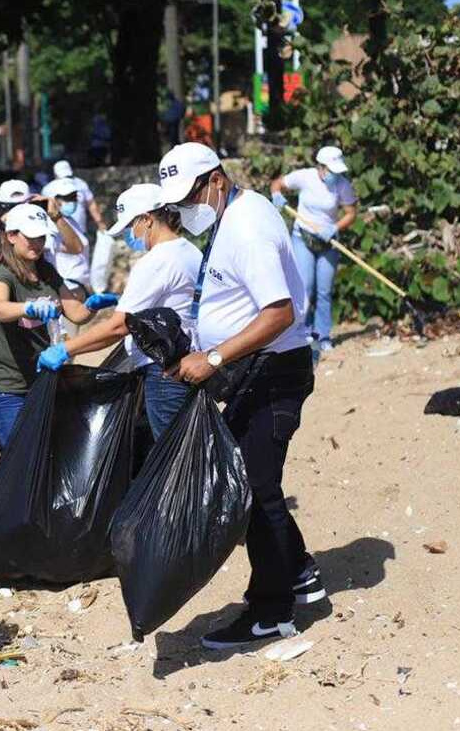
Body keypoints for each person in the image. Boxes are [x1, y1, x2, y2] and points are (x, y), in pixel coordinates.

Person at [158, 142, 322, 649]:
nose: (182, 209)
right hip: (254, 368)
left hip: (273, 371)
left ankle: (271, 611)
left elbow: (279, 313)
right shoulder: (232, 218)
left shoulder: (248, 226)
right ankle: (299, 571)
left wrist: (213, 358)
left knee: (252, 488)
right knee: (253, 481)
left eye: (188, 196)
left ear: (216, 180)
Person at [37, 183, 202, 439]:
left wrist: (66, 349)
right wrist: (121, 299)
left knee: (173, 458)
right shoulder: (190, 251)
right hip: (186, 362)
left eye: (129, 226)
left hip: (163, 373)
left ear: (147, 219)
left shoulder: (156, 261)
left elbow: (118, 326)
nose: (129, 234)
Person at [0, 203, 92, 450]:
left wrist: (92, 306)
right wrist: (27, 308)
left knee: (46, 455)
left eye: (41, 237)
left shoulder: (46, 272)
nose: (37, 243)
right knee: (18, 460)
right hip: (7, 386)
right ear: (11, 236)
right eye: (31, 237)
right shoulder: (1, 275)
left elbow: (76, 312)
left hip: (41, 380)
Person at [270, 146, 359, 353]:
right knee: (304, 287)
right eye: (330, 170)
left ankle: (324, 335)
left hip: (328, 242)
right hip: (303, 238)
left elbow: (351, 213)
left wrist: (335, 227)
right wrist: (277, 195)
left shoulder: (342, 185)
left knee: (324, 291)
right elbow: (277, 184)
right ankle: (302, 332)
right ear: (321, 167)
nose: (334, 175)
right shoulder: (304, 177)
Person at [40, 178, 91, 292]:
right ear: (52, 200)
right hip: (67, 286)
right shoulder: (49, 226)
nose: (72, 201)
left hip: (80, 285)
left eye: (74, 197)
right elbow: (76, 248)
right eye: (67, 198)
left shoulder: (69, 221)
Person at [0, 180, 31, 271]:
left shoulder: (44, 229)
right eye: (12, 208)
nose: (19, 212)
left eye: (23, 207)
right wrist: (1, 231)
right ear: (1, 210)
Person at [52, 159, 106, 235]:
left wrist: (100, 222)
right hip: (60, 234)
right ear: (55, 175)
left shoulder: (81, 184)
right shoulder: (49, 188)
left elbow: (91, 204)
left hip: (81, 230)